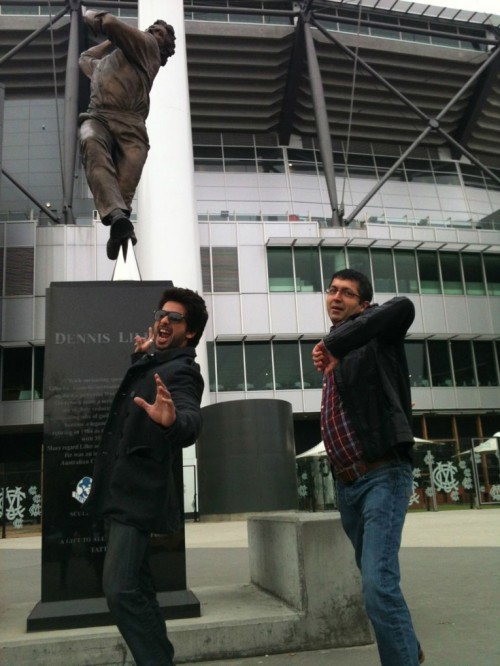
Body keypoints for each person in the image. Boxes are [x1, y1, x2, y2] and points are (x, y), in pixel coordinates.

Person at [84, 286, 208, 666]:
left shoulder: (181, 372)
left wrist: (174, 422)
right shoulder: (154, 363)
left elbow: (188, 417)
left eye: (174, 317)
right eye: (161, 314)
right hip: (119, 488)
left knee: (119, 589)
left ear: (190, 332)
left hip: (137, 496)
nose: (163, 320)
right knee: (138, 587)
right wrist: (142, 354)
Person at [312, 268, 424, 666]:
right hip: (348, 486)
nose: (336, 297)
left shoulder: (378, 336)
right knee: (378, 583)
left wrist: (336, 342)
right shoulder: (339, 353)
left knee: (377, 586)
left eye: (347, 293)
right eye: (332, 290)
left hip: (382, 474)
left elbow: (403, 306)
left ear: (364, 304)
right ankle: (408, 650)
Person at [79, 10, 176, 260]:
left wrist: (93, 17)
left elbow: (109, 21)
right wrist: (112, 39)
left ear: (162, 46)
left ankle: (119, 224)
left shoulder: (149, 49)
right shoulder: (106, 65)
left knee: (123, 193)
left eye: (159, 33)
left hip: (130, 125)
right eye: (152, 29)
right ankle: (119, 220)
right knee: (90, 141)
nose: (153, 33)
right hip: (98, 116)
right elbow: (86, 58)